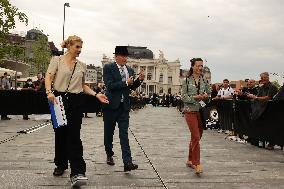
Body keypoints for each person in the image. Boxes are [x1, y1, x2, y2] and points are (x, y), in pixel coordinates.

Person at [45, 35, 108, 187]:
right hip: (58, 99)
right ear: (69, 46)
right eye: (77, 47)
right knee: (60, 134)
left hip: (77, 101)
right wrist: (49, 92)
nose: (79, 50)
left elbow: (83, 85)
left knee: (74, 136)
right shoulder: (57, 60)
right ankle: (60, 164)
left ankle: (78, 172)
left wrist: (95, 94)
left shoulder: (82, 65)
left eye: (81, 47)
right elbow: (48, 77)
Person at [103, 46, 145, 172]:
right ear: (116, 56)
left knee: (124, 134)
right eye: (123, 56)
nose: (125, 58)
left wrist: (139, 81)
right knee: (109, 133)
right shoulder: (108, 67)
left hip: (124, 106)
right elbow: (109, 86)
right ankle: (109, 154)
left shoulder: (130, 70)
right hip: (110, 106)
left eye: (127, 56)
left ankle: (128, 162)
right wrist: (126, 83)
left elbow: (131, 87)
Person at [181, 58, 211, 174]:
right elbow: (183, 97)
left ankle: (189, 159)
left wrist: (205, 96)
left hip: (201, 111)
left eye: (201, 66)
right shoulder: (186, 80)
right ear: (192, 66)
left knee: (196, 137)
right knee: (196, 136)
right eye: (198, 65)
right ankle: (197, 163)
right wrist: (195, 98)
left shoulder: (204, 79)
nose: (200, 68)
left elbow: (209, 93)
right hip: (190, 111)